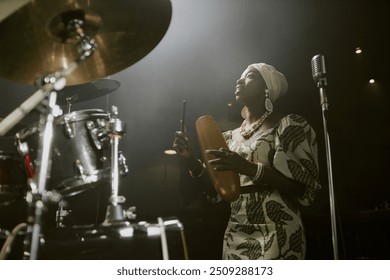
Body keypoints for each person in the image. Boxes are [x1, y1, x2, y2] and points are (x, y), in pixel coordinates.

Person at [173, 62, 321, 260]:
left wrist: (249, 169)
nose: (240, 80)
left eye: (250, 76)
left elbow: (304, 190)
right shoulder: (227, 138)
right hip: (236, 231)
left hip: (277, 228)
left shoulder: (288, 125)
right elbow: (216, 194)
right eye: (240, 76)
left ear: (267, 88)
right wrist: (191, 158)